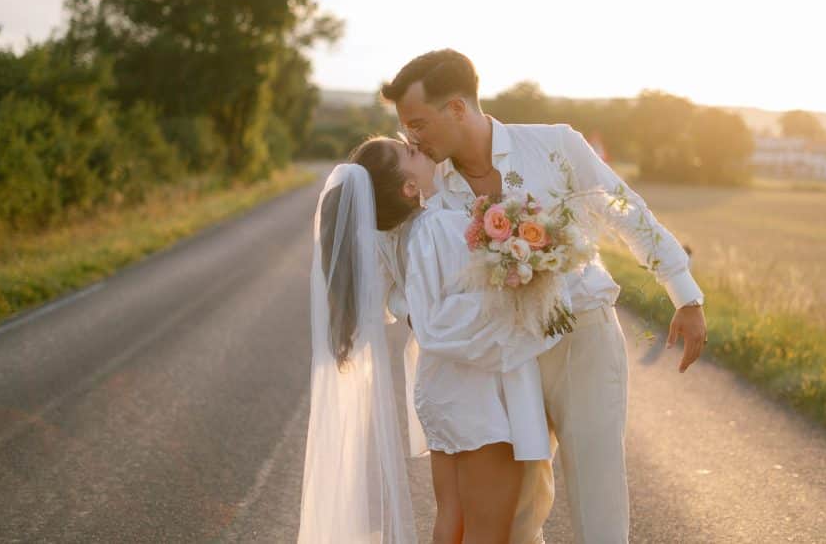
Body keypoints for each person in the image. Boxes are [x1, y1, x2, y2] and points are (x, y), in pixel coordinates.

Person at [381, 49, 708, 544]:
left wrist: (684, 294)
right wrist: (417, 315)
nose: (412, 138)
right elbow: (405, 267)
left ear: (456, 109)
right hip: (501, 360)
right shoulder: (431, 189)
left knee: (596, 495)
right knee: (517, 511)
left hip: (582, 337)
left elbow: (624, 208)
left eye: (418, 123)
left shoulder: (555, 146)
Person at [298, 136, 561, 544]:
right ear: (408, 188)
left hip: (441, 390)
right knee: (486, 532)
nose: (421, 148)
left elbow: (415, 308)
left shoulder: (396, 236)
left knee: (451, 521)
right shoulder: (438, 226)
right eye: (410, 153)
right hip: (473, 394)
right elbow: (444, 315)